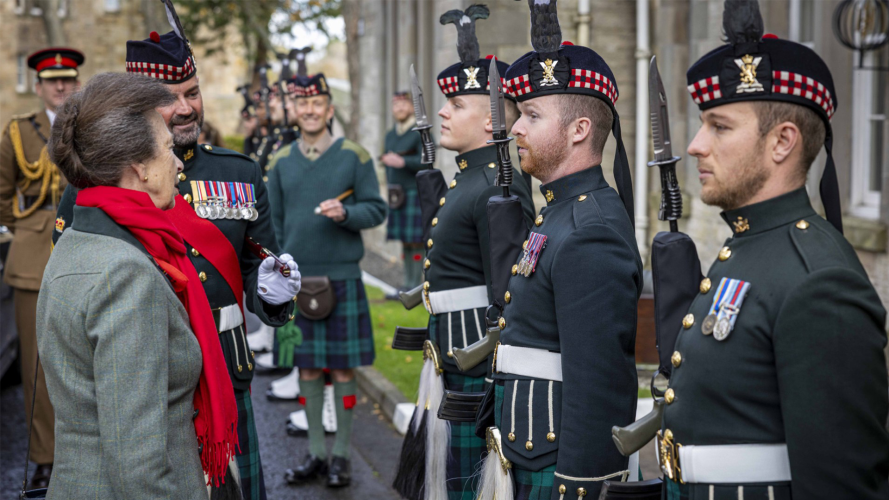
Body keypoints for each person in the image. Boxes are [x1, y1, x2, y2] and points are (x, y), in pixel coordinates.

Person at [52, 14, 299, 499]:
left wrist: (273, 294)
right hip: (142, 370)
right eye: (169, 99)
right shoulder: (96, 183)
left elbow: (255, 268)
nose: (186, 108)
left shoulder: (241, 172)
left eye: (193, 91)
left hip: (226, 365)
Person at [658, 1, 889, 498]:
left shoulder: (818, 280)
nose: (696, 144)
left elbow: (841, 485)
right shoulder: (749, 244)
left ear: (782, 141)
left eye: (719, 126)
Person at [37, 71, 238, 499]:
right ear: (140, 168)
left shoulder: (79, 239)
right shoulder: (125, 275)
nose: (178, 162)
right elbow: (139, 467)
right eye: (168, 149)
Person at [477, 1, 643, 498]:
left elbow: (598, 385)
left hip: (556, 468)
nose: (514, 128)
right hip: (526, 443)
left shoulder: (590, 228)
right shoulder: (560, 212)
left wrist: (582, 485)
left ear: (579, 130)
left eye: (530, 115)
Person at [399, 6, 535, 499]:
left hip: (473, 354)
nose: (442, 111)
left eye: (455, 103)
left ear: (490, 118)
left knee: (462, 477)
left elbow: (507, 287)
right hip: (449, 350)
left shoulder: (499, 185)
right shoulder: (466, 180)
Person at [266, 72, 387, 488]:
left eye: (318, 102)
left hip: (342, 278)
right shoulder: (280, 162)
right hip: (298, 281)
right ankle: (316, 452)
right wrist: (279, 278)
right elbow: (275, 226)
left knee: (341, 369)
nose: (310, 110)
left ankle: (342, 456)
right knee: (307, 369)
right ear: (295, 111)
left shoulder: (354, 155)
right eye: (303, 104)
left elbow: (376, 209)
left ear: (329, 109)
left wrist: (347, 214)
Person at [0, 47, 84, 489]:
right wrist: (28, 229)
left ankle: (89, 452)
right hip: (34, 254)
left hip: (85, 245)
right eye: (52, 80)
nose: (60, 86)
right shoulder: (17, 131)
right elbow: (1, 191)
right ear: (38, 86)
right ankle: (45, 457)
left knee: (87, 359)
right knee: (35, 366)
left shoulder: (90, 128)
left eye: (68, 79)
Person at [381, 91, 428, 295]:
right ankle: (407, 283)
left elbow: (427, 159)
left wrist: (403, 162)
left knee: (416, 241)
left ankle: (416, 285)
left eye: (403, 104)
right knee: (405, 242)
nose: (399, 108)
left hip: (415, 193)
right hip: (396, 195)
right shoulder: (391, 135)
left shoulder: (420, 132)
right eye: (395, 104)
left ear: (411, 107)